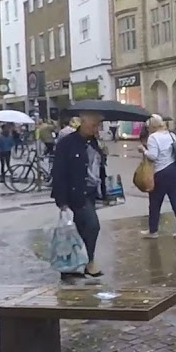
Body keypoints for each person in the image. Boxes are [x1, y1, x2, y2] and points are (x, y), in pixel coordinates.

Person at [50, 110, 106, 283]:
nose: (96, 129)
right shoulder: (67, 143)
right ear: (82, 122)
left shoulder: (94, 142)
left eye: (98, 125)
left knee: (80, 229)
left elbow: (96, 167)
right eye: (93, 125)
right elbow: (59, 172)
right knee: (92, 225)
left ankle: (73, 266)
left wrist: (103, 155)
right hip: (75, 193)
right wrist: (62, 202)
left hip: (90, 192)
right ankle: (88, 261)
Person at [140, 114, 176, 240]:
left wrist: (143, 151)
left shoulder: (153, 138)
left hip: (161, 172)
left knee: (155, 202)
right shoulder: (171, 135)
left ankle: (153, 231)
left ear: (152, 125)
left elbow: (153, 156)